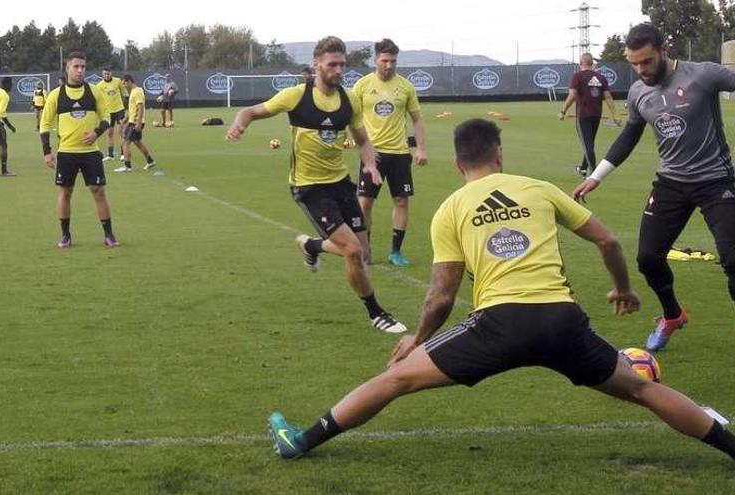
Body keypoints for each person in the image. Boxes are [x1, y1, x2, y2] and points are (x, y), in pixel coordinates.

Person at [267, 118, 735, 465]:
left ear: (457, 164)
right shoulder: (538, 188)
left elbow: (442, 295)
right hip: (562, 320)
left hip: (499, 325)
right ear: (499, 153)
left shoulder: (451, 208)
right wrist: (622, 289)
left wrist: (419, 340)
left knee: (395, 380)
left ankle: (302, 440)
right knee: (640, 388)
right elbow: (608, 240)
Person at [573, 23, 735, 352]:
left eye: (646, 62)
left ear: (663, 50)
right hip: (671, 183)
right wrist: (596, 176)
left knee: (733, 260)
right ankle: (672, 315)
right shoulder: (638, 93)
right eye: (634, 64)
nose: (641, 70)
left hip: (716, 181)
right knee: (647, 258)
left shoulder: (703, 75)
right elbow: (629, 135)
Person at [227, 36, 406, 334]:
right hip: (309, 187)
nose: (338, 70)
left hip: (340, 183)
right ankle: (376, 312)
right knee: (351, 251)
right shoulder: (296, 96)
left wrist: (372, 164)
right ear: (317, 65)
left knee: (362, 252)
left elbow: (362, 140)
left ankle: (311, 245)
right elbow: (251, 111)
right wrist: (239, 124)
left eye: (342, 64)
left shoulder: (350, 99)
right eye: (332, 64)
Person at [353, 38, 427, 267]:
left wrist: (421, 149)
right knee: (364, 203)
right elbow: (351, 117)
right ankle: (366, 250)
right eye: (385, 60)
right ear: (376, 59)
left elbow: (417, 119)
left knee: (401, 201)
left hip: (399, 154)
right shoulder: (362, 85)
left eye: (393, 60)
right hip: (372, 155)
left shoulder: (405, 87)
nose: (389, 65)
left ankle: (396, 252)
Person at [40, 51, 118, 249]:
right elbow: (45, 124)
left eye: (83, 67)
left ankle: (108, 235)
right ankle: (65, 235)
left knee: (98, 191)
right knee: (65, 193)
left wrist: (96, 132)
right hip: (66, 153)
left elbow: (107, 116)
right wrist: (47, 151)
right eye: (76, 66)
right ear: (67, 68)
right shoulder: (56, 95)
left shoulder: (94, 91)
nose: (80, 70)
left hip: (91, 152)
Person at [560, 53, 619, 177]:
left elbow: (572, 95)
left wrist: (563, 111)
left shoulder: (577, 76)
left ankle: (594, 173)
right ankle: (583, 168)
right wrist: (615, 114)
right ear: (592, 64)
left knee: (587, 144)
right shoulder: (601, 77)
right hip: (596, 114)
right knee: (590, 143)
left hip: (583, 115)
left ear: (580, 63)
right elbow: (608, 96)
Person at [114, 74, 156, 173]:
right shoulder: (133, 92)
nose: (123, 85)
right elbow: (132, 109)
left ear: (129, 81)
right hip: (132, 121)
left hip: (135, 122)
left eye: (124, 83)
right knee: (137, 142)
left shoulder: (137, 92)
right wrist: (126, 119)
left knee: (125, 142)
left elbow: (140, 107)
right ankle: (150, 161)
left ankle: (127, 166)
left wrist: (138, 123)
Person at [96, 68, 127, 162]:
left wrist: (125, 105)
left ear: (111, 73)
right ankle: (110, 155)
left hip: (119, 110)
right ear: (102, 75)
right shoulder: (100, 85)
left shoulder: (117, 81)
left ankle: (123, 153)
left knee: (121, 132)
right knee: (109, 133)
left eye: (108, 73)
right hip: (108, 112)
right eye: (105, 74)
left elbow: (124, 93)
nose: (106, 75)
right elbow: (98, 98)